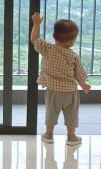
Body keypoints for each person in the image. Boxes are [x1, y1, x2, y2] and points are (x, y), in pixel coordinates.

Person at [30, 13, 89, 145]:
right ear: (73, 41)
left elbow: (34, 39)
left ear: (53, 36)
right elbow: (79, 73)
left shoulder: (48, 49)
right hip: (70, 92)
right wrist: (84, 86)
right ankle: (71, 137)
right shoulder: (74, 56)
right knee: (72, 115)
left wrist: (37, 24)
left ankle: (48, 135)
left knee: (51, 113)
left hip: (53, 91)